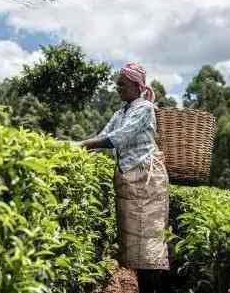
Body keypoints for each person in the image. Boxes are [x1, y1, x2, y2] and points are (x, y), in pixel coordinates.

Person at [77, 63, 172, 293]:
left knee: (149, 246)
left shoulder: (145, 108)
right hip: (130, 182)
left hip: (146, 181)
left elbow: (120, 137)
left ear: (137, 85)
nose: (117, 87)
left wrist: (81, 145)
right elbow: (103, 135)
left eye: (122, 83)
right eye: (117, 83)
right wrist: (77, 147)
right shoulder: (121, 112)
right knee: (136, 248)